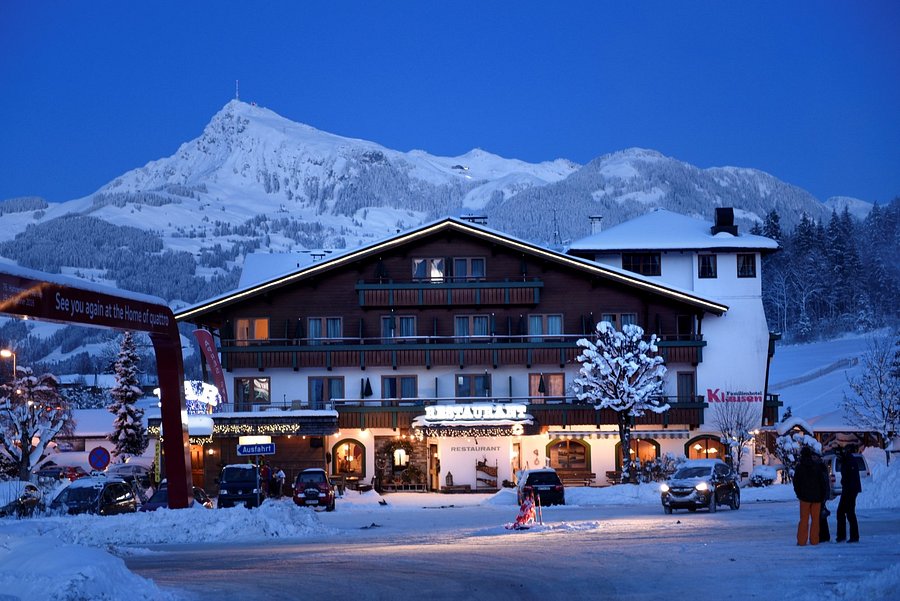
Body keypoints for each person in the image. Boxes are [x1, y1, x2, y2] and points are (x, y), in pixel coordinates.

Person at [792, 446, 829, 546]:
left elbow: (796, 482)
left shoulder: (799, 467)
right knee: (815, 520)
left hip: (804, 498)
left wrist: (799, 493)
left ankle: (802, 541)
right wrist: (822, 495)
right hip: (817, 498)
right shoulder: (816, 466)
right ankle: (814, 540)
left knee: (804, 520)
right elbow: (822, 482)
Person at [835, 446, 862, 543]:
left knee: (850, 512)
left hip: (851, 490)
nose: (838, 457)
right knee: (841, 512)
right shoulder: (846, 461)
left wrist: (849, 488)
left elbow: (852, 478)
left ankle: (854, 536)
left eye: (838, 455)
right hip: (847, 489)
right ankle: (841, 536)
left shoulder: (850, 461)